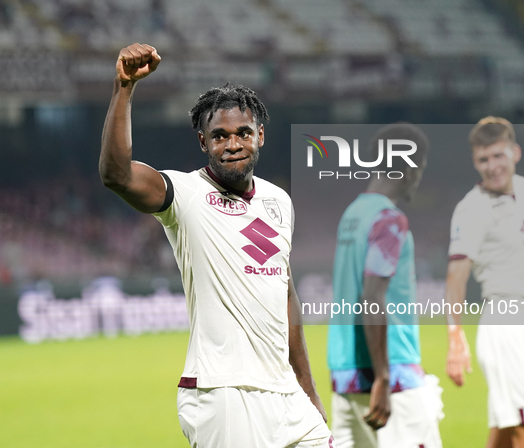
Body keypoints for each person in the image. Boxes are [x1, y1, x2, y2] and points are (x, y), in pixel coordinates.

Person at [99, 43, 334, 448]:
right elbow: (117, 175)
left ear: (260, 135)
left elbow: (286, 294)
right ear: (203, 143)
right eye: (219, 136)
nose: (233, 144)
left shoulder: (279, 201)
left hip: (286, 395)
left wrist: (308, 388)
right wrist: (124, 88)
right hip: (222, 392)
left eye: (243, 133)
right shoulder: (185, 193)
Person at [445, 117, 524, 448]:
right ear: (475, 162)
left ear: (515, 152)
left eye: (499, 156)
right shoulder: (472, 209)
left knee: (506, 432)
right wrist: (456, 339)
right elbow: (456, 276)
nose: (492, 166)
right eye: (484, 159)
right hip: (507, 326)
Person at [327, 123, 443, 448]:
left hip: (345, 376)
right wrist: (383, 376)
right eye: (419, 166)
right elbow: (372, 296)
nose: (419, 176)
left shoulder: (352, 214)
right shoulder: (389, 219)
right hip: (391, 380)